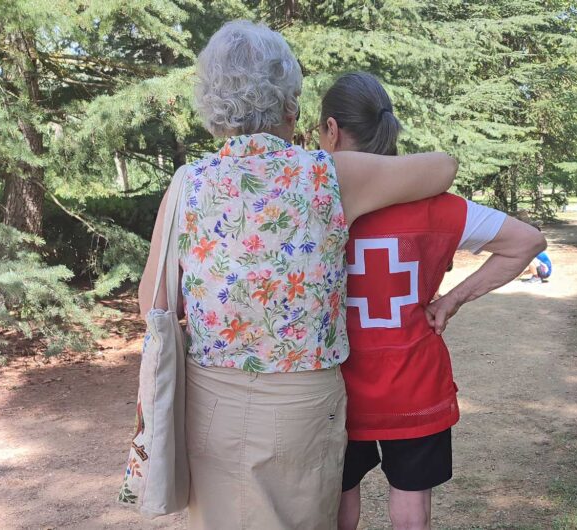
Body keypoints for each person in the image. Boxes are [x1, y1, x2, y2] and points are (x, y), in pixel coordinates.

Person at [137, 22, 459, 530]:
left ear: (214, 106)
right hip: (302, 403)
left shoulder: (186, 184)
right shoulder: (328, 174)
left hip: (211, 401)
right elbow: (443, 167)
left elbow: (152, 304)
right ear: (290, 103)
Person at [318, 72, 546, 530]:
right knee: (411, 505)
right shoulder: (438, 206)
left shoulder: (312, 201)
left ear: (332, 130)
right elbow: (528, 241)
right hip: (414, 383)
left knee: (336, 497)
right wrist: (451, 301)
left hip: (336, 384)